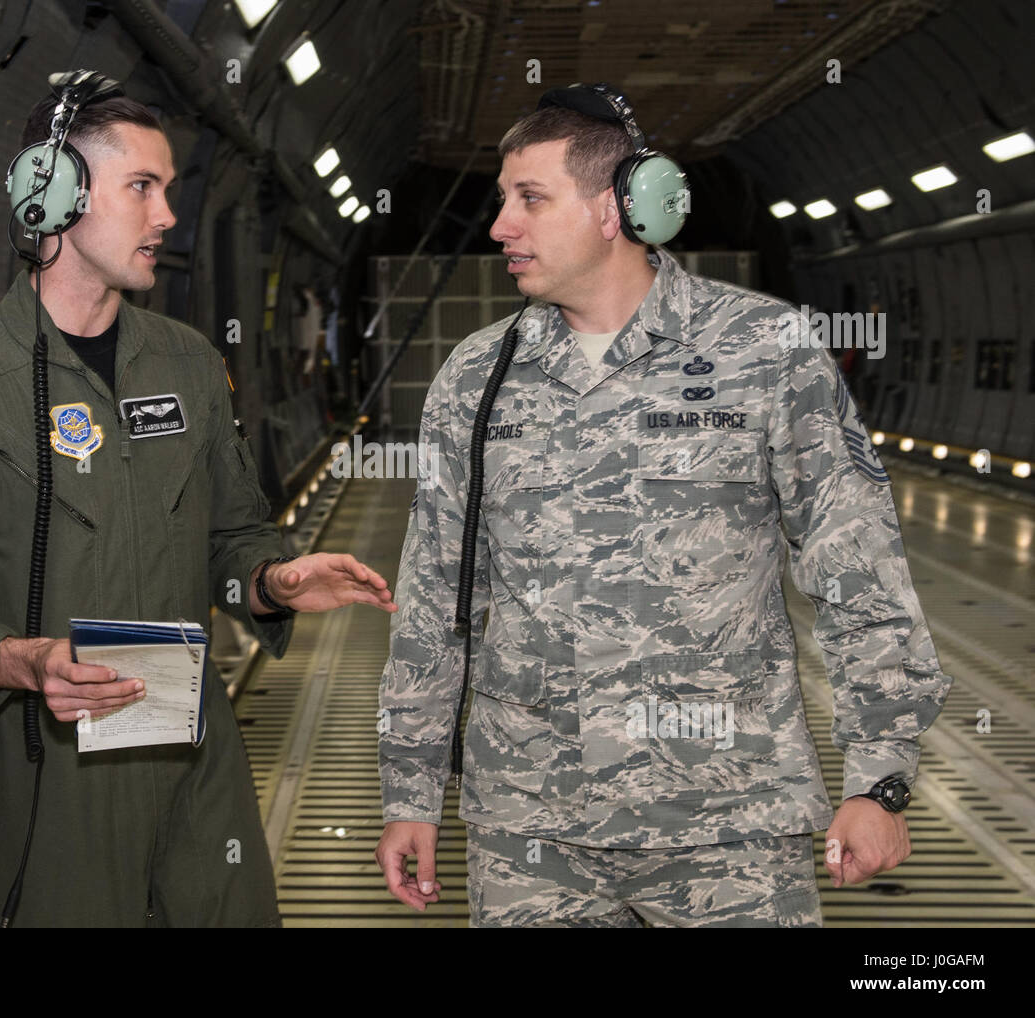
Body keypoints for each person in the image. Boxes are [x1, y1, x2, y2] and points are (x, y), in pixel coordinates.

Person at [374, 86, 951, 927]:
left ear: (617, 208)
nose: (501, 225)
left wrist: (879, 779)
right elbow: (435, 599)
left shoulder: (766, 353)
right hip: (532, 833)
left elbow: (857, 568)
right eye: (503, 200)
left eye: (530, 199)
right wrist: (411, 791)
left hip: (731, 824)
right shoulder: (475, 378)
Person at [0, 82, 396, 927]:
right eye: (142, 187)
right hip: (53, 786)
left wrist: (272, 581)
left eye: (171, 189)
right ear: (56, 193)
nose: (168, 216)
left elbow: (230, 539)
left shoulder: (186, 366)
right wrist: (24, 661)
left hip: (197, 770)